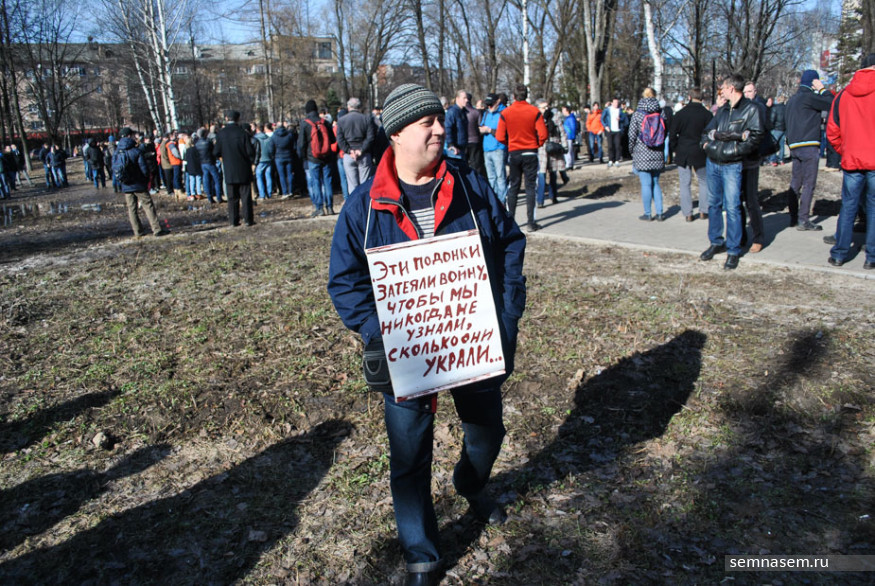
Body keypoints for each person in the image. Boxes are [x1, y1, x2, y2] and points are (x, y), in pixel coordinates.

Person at [327, 83, 526, 586]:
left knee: (487, 434)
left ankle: (471, 483)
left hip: (473, 343)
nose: (441, 128)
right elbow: (345, 283)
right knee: (409, 457)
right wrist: (384, 331)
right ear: (396, 133)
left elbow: (509, 243)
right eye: (428, 123)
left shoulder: (469, 184)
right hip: (407, 354)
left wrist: (505, 317)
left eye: (440, 118)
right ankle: (422, 554)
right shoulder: (362, 207)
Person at [699, 73, 764, 270]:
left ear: (732, 88)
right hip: (713, 162)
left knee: (733, 207)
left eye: (723, 87)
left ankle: (733, 250)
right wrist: (707, 145)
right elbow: (707, 132)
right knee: (714, 204)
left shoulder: (750, 110)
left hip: (732, 165)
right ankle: (716, 241)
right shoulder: (723, 110)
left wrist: (735, 150)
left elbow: (755, 136)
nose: (721, 91)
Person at [826, 53, 875, 270]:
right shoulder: (843, 94)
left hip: (852, 159)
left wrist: (844, 150)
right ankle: (871, 257)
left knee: (848, 207)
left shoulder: (844, 94)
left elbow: (832, 130)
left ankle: (839, 253)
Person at [785, 69, 835, 231]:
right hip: (809, 144)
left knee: (795, 182)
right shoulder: (809, 97)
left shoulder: (792, 100)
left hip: (794, 146)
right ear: (813, 82)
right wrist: (822, 89)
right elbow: (832, 102)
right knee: (808, 183)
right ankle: (804, 220)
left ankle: (793, 217)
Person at [496, 84, 548, 232]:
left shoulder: (506, 113)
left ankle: (510, 222)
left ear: (513, 96)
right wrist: (536, 144)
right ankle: (531, 222)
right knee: (531, 187)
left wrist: (510, 143)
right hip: (530, 152)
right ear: (526, 95)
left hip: (515, 153)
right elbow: (543, 134)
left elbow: (499, 136)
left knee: (514, 186)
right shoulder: (534, 111)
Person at [113, 127, 168, 238]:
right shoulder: (136, 151)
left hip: (126, 184)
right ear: (129, 136)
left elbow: (114, 168)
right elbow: (144, 169)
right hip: (138, 183)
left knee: (132, 209)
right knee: (148, 205)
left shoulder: (117, 152)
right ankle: (156, 229)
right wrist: (146, 179)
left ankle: (137, 231)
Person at [670, 87, 712, 221]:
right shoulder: (707, 115)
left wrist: (675, 148)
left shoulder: (680, 114)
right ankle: (704, 210)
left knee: (685, 183)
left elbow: (672, 134)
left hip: (683, 150)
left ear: (689, 97)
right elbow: (711, 134)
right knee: (704, 181)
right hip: (700, 151)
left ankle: (688, 213)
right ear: (702, 98)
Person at [628, 88, 666, 221]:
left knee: (646, 184)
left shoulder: (638, 114)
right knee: (656, 182)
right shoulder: (661, 113)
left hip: (642, 152)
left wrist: (631, 150)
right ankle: (660, 213)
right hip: (657, 151)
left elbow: (631, 135)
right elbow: (665, 132)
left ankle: (648, 213)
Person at [214, 110, 257, 227]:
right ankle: (248, 219)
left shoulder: (221, 134)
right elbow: (250, 151)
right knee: (246, 196)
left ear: (226, 119)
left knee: (232, 197)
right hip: (243, 167)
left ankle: (233, 220)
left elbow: (216, 152)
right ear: (238, 119)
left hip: (229, 169)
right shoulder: (243, 133)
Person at [740, 81, 768, 252]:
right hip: (738, 159)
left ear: (755, 91)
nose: (747, 95)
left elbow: (760, 132)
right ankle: (741, 236)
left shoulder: (759, 107)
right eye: (745, 92)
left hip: (751, 159)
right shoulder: (739, 107)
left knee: (751, 200)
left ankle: (758, 237)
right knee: (737, 201)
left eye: (749, 91)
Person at [298, 99, 336, 216]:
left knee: (316, 182)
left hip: (312, 157)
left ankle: (319, 208)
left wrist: (303, 157)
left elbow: (301, 144)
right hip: (326, 157)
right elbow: (332, 140)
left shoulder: (305, 124)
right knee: (327, 181)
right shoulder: (325, 122)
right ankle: (330, 207)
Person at [336, 97, 376, 193]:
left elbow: (340, 140)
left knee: (352, 186)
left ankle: (354, 201)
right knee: (365, 184)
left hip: (348, 155)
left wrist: (349, 150)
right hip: (364, 154)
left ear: (348, 107)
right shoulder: (366, 119)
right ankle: (365, 202)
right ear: (360, 107)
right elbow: (370, 137)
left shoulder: (341, 120)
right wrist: (361, 150)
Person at [478, 93, 508, 203]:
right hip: (487, 149)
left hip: (499, 148)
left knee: (500, 176)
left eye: (491, 105)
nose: (489, 107)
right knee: (491, 177)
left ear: (497, 102)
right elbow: (481, 126)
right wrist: (481, 129)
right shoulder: (486, 113)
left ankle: (501, 201)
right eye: (488, 105)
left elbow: (504, 132)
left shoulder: (503, 113)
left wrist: (490, 130)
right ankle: (493, 201)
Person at [536, 101, 566, 207]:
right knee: (541, 174)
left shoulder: (555, 116)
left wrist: (564, 146)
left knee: (553, 173)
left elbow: (562, 132)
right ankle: (540, 200)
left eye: (547, 107)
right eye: (543, 107)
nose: (546, 109)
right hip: (541, 149)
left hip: (553, 147)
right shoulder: (537, 118)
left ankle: (553, 196)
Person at [270, 120, 296, 199]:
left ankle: (285, 192)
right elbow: (294, 146)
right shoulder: (289, 135)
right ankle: (291, 191)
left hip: (278, 157)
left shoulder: (274, 136)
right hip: (289, 156)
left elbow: (271, 149)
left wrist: (273, 156)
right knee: (289, 174)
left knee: (282, 175)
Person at [601, 97, 628, 167]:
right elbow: (602, 119)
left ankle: (617, 160)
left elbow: (624, 118)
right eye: (615, 102)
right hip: (610, 130)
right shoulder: (607, 110)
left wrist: (620, 119)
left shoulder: (620, 110)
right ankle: (610, 160)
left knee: (617, 145)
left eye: (617, 102)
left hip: (617, 130)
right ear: (612, 103)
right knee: (610, 146)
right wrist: (605, 126)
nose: (616, 104)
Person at [253, 123, 275, 200]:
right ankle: (269, 193)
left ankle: (262, 194)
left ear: (257, 129)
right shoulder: (268, 138)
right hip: (268, 159)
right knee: (268, 176)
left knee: (259, 177)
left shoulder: (255, 138)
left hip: (260, 159)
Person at [444, 89, 468, 159]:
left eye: (467, 98)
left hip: (463, 148)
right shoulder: (452, 112)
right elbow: (447, 128)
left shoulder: (464, 112)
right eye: (464, 98)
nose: (467, 100)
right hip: (455, 150)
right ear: (457, 99)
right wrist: (451, 144)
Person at [768, 95, 787, 165]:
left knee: (773, 144)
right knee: (782, 145)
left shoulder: (775, 108)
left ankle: (773, 160)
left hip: (776, 128)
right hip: (784, 128)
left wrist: (769, 127)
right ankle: (781, 159)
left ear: (778, 100)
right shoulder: (786, 108)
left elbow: (772, 119)